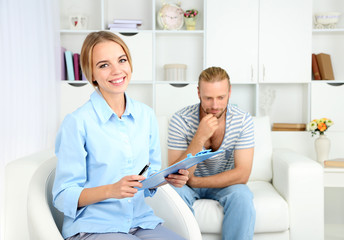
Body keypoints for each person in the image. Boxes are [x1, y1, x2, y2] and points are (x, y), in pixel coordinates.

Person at [52, 31, 189, 240]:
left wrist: (167, 178)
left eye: (121, 60)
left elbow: (148, 174)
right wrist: (111, 190)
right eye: (104, 65)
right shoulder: (77, 122)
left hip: (140, 222)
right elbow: (63, 196)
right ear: (92, 75)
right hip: (93, 227)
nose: (117, 71)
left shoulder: (146, 115)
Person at [168, 66, 256, 240]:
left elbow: (242, 174)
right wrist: (199, 138)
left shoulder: (243, 121)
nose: (215, 105)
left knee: (242, 196)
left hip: (224, 184)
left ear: (229, 92)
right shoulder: (180, 120)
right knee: (173, 193)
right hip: (186, 186)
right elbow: (175, 175)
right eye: (208, 98)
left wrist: (196, 181)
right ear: (198, 93)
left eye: (221, 97)